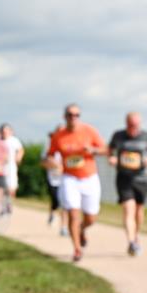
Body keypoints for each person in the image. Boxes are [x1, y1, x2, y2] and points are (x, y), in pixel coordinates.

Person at [43, 104, 107, 261]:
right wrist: (53, 162)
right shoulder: (58, 136)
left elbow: (105, 149)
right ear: (65, 116)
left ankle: (81, 229)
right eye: (70, 115)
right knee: (73, 213)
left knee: (91, 218)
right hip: (69, 178)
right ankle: (77, 250)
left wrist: (93, 150)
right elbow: (49, 155)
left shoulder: (89, 131)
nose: (73, 117)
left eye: (77, 114)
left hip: (89, 177)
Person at [108, 112, 147, 256]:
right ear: (126, 124)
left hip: (141, 179)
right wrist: (112, 157)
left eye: (136, 125)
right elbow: (110, 150)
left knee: (139, 211)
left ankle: (136, 235)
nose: (134, 128)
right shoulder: (118, 136)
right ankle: (131, 242)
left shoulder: (146, 137)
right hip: (124, 178)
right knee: (128, 209)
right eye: (131, 125)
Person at [44, 124, 69, 236]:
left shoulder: (70, 145)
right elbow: (43, 162)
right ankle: (52, 213)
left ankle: (63, 227)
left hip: (66, 179)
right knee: (55, 201)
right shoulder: (49, 146)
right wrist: (54, 165)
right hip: (53, 179)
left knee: (64, 203)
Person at [1, 123, 24, 215]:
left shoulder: (14, 140)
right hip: (0, 167)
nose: (5, 133)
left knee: (12, 187)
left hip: (11, 167)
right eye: (3, 131)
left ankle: (9, 204)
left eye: (6, 131)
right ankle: (3, 204)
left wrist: (18, 158)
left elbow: (21, 150)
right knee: (2, 187)